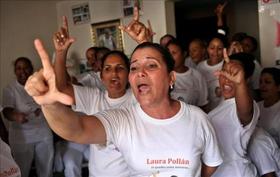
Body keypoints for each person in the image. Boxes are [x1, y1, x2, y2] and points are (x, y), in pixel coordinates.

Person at [53, 16, 136, 177]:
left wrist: (145, 42)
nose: (114, 73)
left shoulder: (138, 98)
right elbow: (62, 88)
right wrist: (60, 53)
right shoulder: (94, 98)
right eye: (108, 69)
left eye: (120, 68)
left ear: (128, 74)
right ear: (101, 76)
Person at [208, 51, 259, 177]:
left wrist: (239, 83)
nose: (227, 79)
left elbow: (245, 113)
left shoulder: (245, 105)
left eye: (234, 74)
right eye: (224, 72)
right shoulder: (221, 106)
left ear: (245, 79)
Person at [2, 57, 54, 177]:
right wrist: (15, 116)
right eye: (19, 68)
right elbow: (6, 110)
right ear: (15, 71)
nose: (23, 71)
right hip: (21, 137)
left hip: (43, 132)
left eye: (26, 68)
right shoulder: (10, 89)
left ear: (31, 69)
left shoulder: (42, 84)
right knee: (21, 171)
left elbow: (51, 103)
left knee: (46, 169)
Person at [166, 39, 208, 110]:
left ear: (184, 54)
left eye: (174, 53)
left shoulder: (197, 76)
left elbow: (203, 105)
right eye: (168, 53)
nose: (170, 57)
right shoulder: (164, 75)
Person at [197, 34, 228, 112]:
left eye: (220, 48)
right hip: (206, 111)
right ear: (207, 49)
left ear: (224, 50)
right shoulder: (200, 67)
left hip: (223, 110)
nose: (215, 52)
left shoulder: (227, 65)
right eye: (212, 48)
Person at [257, 67, 280, 147]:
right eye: (260, 82)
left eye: (267, 82)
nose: (262, 85)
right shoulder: (256, 106)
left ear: (278, 87)